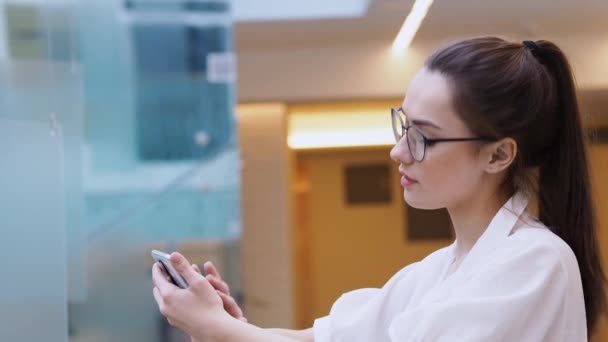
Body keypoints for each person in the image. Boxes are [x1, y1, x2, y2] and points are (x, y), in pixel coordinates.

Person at [151, 36, 606, 341]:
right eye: (403, 125)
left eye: (423, 137)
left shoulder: (534, 262)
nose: (398, 152)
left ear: (498, 155)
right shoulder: (436, 272)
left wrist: (223, 331)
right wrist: (231, 326)